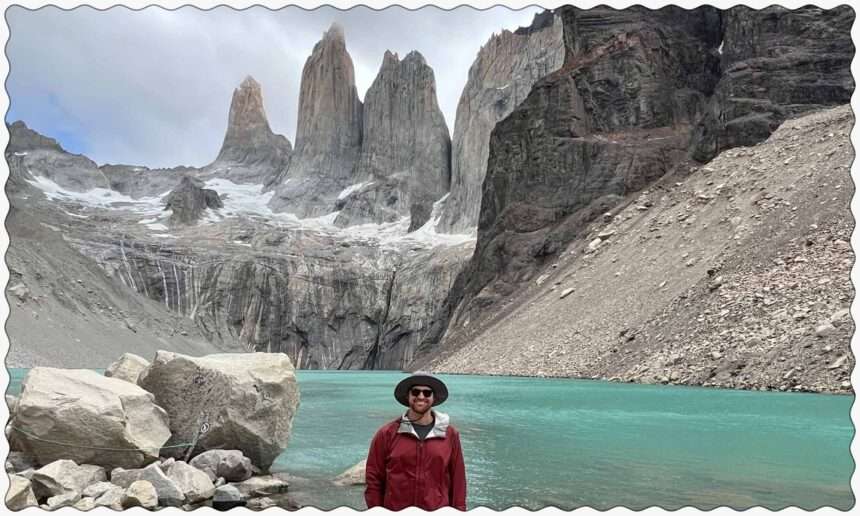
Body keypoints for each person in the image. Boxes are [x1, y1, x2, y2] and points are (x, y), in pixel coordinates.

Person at [364, 372, 467, 511]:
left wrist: (459, 511)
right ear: (408, 396)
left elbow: (458, 480)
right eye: (415, 392)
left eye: (427, 393)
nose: (421, 397)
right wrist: (376, 512)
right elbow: (374, 480)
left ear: (433, 398)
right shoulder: (386, 434)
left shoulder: (450, 435)